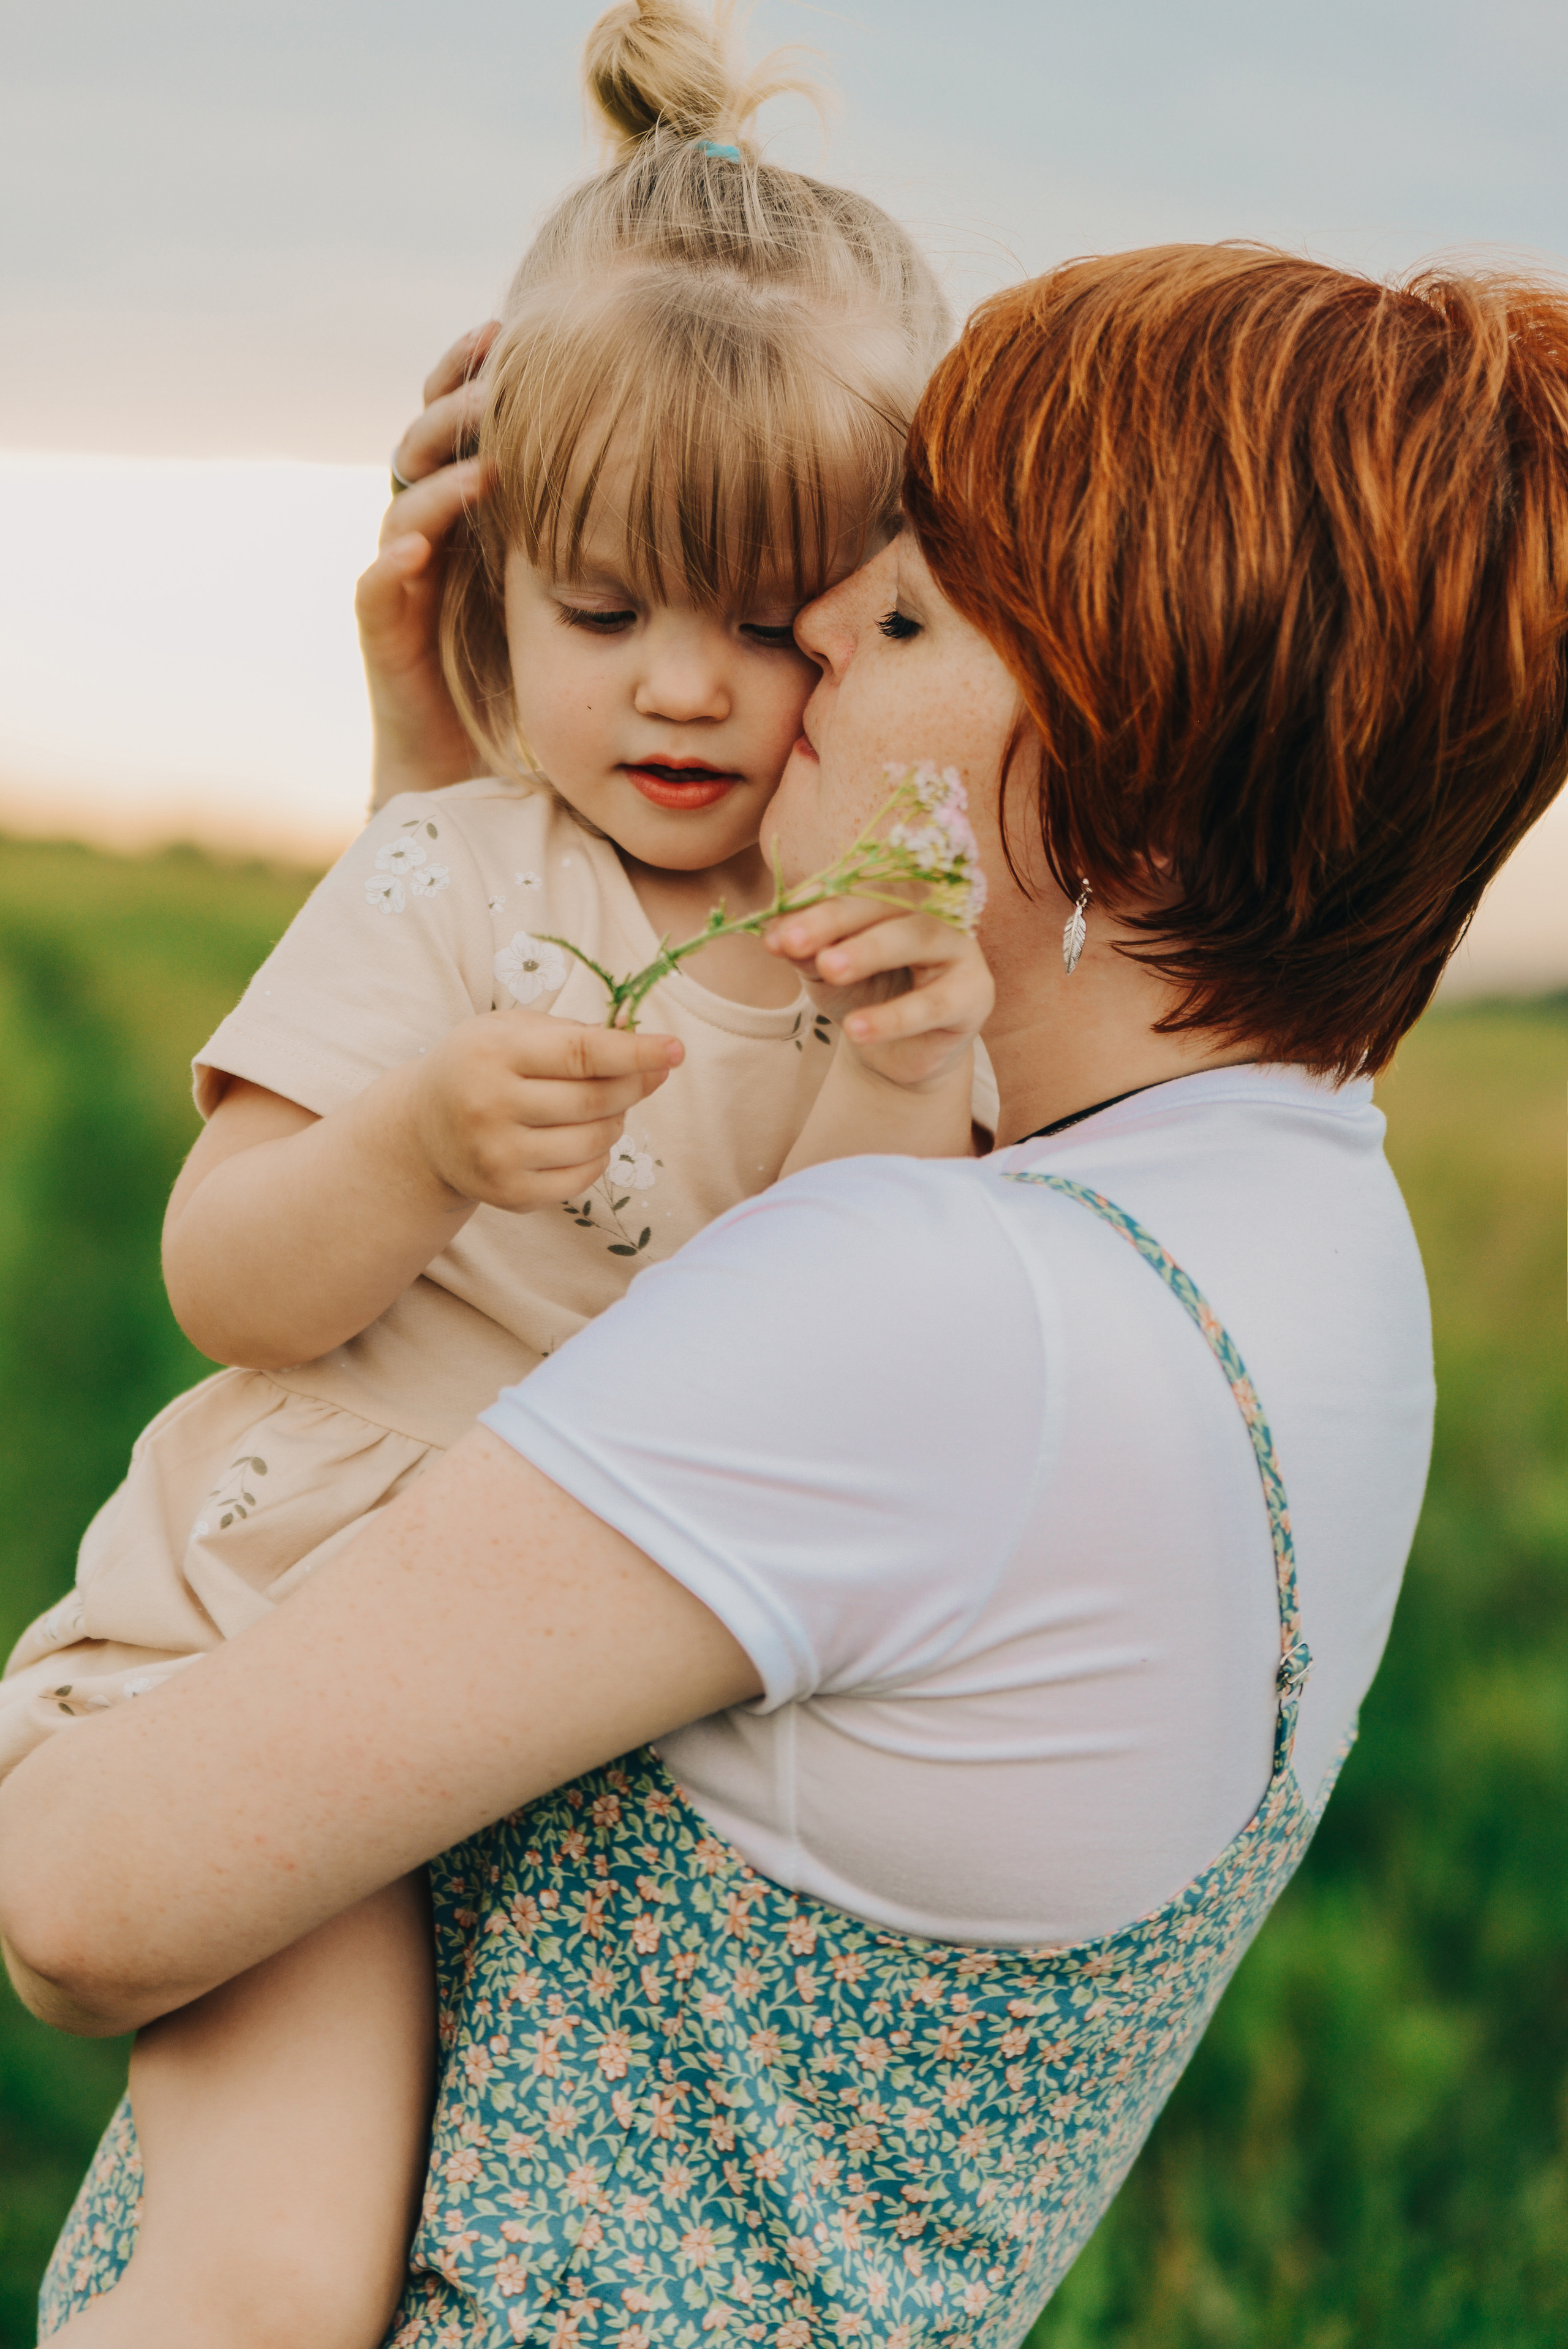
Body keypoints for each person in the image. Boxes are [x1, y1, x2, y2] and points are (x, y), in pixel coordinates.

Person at [10, 240, 1568, 2348]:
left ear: (1136, 789)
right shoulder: (1294, 1239)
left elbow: (88, 1904)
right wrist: (453, 812)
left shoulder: (932, 1306)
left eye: (905, 601)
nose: (810, 627)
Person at [0, 9, 994, 2347]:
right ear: (489, 583)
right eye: (605, 605)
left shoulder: (887, 932)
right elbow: (227, 1275)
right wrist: (422, 1135)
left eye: (772, 620)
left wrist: (908, 1048)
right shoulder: (455, 868)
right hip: (268, 1667)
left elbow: (847, 1317)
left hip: (565, 1732)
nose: (681, 691)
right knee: (269, 2274)